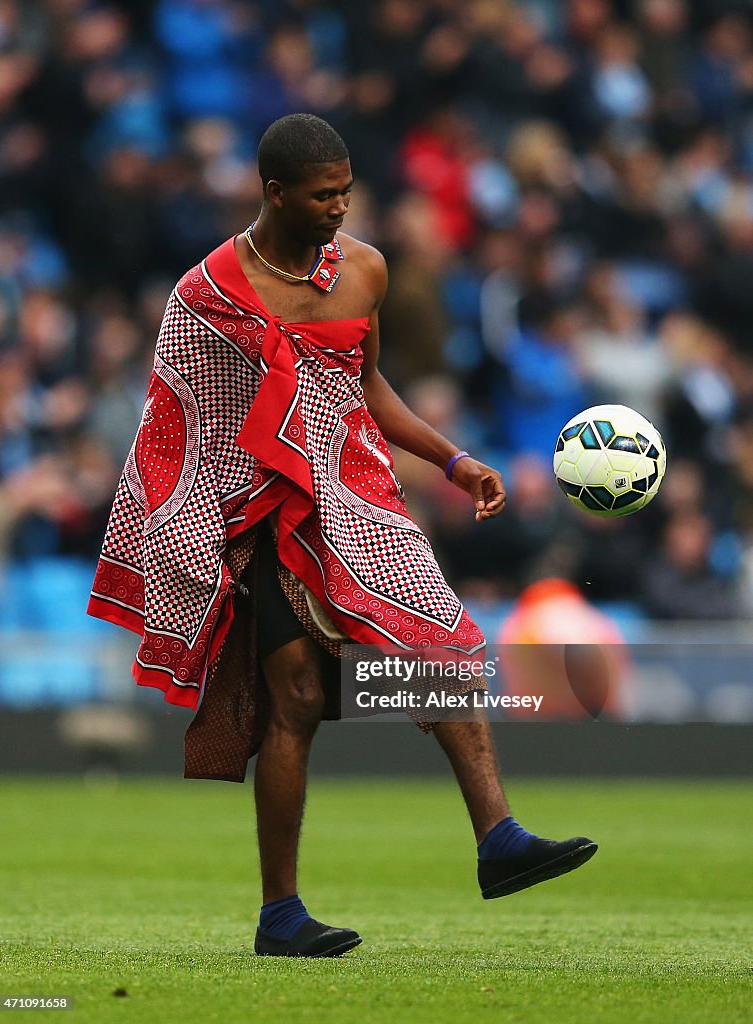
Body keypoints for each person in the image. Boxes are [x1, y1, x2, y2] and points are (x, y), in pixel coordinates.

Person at [88, 114, 597, 959]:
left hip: (360, 498)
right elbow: (179, 423)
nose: (338, 208)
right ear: (275, 192)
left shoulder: (365, 268)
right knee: (296, 703)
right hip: (258, 513)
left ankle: (498, 837)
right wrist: (194, 534)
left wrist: (454, 459)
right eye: (322, 195)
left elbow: (365, 385)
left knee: (439, 640)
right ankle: (280, 914)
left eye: (345, 193)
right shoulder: (207, 294)